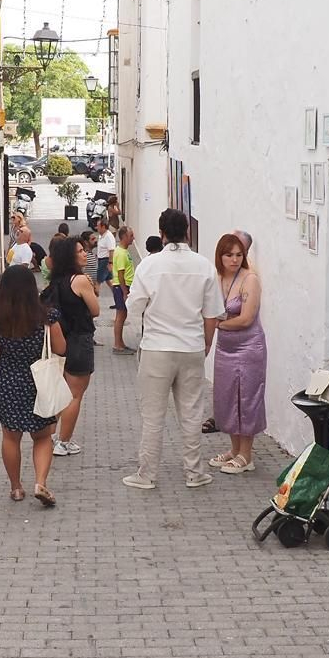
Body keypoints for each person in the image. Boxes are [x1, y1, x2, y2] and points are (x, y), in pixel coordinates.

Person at [122, 208, 224, 491]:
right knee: (191, 414)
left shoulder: (150, 265)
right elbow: (212, 313)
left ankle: (146, 474)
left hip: (157, 348)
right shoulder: (203, 265)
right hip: (191, 347)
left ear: (162, 233)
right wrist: (205, 344)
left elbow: (134, 305)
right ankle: (194, 472)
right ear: (187, 232)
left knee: (153, 415)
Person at [0, 264, 67, 506]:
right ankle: (40, 482)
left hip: (9, 383)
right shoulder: (47, 317)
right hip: (39, 383)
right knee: (42, 437)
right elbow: (61, 349)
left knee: (11, 438)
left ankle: (16, 487)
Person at [209, 231, 267, 474]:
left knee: (246, 398)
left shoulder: (249, 279)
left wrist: (218, 324)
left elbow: (245, 318)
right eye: (229, 255)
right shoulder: (217, 279)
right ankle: (234, 449)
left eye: (238, 255)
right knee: (227, 397)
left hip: (248, 347)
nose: (234, 259)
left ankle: (246, 454)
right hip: (225, 347)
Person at [42, 235, 100, 457]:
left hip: (60, 341)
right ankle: (64, 442)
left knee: (60, 392)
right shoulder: (80, 280)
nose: (85, 254)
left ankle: (50, 435)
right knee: (75, 394)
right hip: (79, 339)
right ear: (70, 256)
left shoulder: (57, 281)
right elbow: (95, 310)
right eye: (80, 251)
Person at [110, 226, 137, 355]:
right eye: (131, 235)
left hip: (124, 286)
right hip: (122, 287)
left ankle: (121, 343)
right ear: (124, 237)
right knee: (120, 316)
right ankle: (117, 345)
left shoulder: (124, 251)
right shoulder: (120, 253)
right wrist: (125, 291)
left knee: (123, 315)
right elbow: (121, 274)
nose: (133, 238)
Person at [94, 217, 117, 292]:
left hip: (105, 261)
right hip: (102, 260)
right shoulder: (102, 235)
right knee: (109, 281)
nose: (96, 228)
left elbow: (111, 250)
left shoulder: (108, 236)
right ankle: (118, 297)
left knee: (97, 281)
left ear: (103, 227)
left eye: (98, 226)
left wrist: (110, 263)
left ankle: (94, 299)